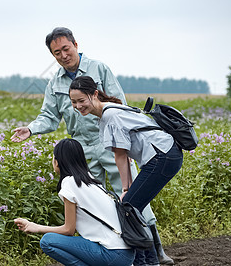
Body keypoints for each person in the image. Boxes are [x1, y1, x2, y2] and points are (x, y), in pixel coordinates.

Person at [11, 27, 173, 265]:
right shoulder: (54, 83)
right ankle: (103, 251)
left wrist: (125, 142)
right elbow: (49, 116)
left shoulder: (99, 69)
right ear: (52, 55)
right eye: (57, 53)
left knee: (131, 196)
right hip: (82, 148)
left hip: (111, 141)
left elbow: (120, 104)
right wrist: (31, 129)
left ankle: (154, 250)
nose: (63, 55)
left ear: (76, 44)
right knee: (89, 201)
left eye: (66, 48)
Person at [68, 76, 183, 221]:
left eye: (81, 100)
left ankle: (147, 244)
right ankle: (149, 243)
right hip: (166, 153)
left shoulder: (110, 115)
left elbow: (121, 156)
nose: (78, 106)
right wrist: (127, 189)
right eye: (74, 102)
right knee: (131, 207)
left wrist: (125, 190)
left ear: (95, 94)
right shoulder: (109, 110)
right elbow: (126, 156)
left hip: (162, 155)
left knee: (129, 207)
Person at [15, 138, 135, 266]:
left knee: (48, 241)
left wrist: (35, 227)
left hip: (113, 254)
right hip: (127, 253)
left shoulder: (69, 183)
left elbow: (68, 229)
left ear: (57, 162)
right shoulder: (90, 180)